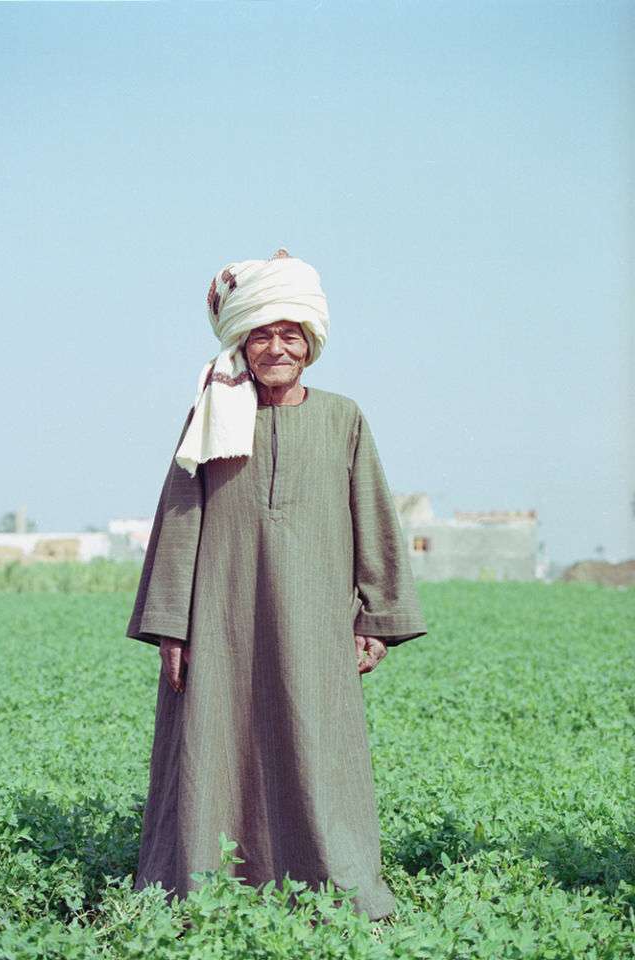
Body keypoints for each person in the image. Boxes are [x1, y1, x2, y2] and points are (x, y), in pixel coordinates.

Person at [127, 249, 426, 920]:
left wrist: (373, 617)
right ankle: (205, 888)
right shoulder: (211, 414)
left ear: (310, 343)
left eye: (290, 333)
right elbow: (179, 521)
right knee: (214, 743)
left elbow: (374, 517)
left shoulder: (344, 418)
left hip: (316, 620)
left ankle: (332, 885)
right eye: (260, 333)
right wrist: (173, 627)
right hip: (219, 620)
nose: (276, 347)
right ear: (241, 341)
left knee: (317, 739)